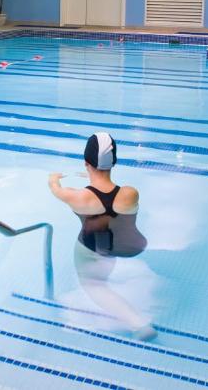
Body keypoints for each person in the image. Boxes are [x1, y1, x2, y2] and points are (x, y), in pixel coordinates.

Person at [48, 132, 155, 339]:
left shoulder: (77, 197)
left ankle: (138, 324)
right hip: (115, 250)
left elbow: (55, 189)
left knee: (94, 287)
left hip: (89, 251)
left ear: (86, 162)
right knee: (103, 276)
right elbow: (109, 200)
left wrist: (53, 178)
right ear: (114, 162)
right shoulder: (130, 193)